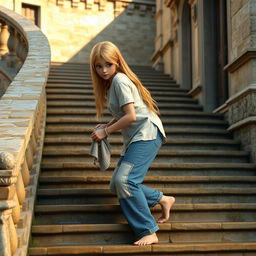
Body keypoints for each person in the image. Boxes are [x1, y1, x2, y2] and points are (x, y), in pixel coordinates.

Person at [90, 41, 175, 246]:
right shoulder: (111, 83)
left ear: (117, 62)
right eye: (98, 66)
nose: (103, 70)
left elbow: (131, 116)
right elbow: (124, 113)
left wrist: (106, 132)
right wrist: (107, 124)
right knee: (116, 184)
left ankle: (148, 230)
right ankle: (162, 199)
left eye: (108, 64)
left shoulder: (119, 80)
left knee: (124, 181)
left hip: (147, 134)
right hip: (138, 136)